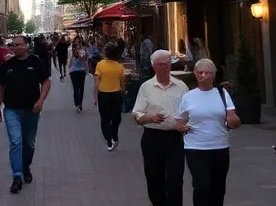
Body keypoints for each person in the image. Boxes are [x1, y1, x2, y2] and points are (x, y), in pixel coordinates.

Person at [175, 58, 240, 206]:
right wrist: (181, 127)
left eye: (207, 72)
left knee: (218, 188)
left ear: (213, 75)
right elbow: (179, 120)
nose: (203, 75)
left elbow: (233, 118)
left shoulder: (222, 93)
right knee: (201, 185)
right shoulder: (188, 96)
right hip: (195, 148)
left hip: (220, 146)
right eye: (199, 72)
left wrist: (233, 120)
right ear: (195, 74)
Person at [0, 34, 51, 194]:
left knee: (29, 143)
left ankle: (25, 167)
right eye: (14, 45)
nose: (16, 47)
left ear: (27, 46)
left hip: (31, 110)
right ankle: (17, 176)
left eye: (19, 45)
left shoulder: (35, 62)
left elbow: (46, 81)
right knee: (16, 142)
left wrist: (41, 101)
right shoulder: (7, 65)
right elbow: (0, 85)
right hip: (12, 110)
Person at [133, 50, 188, 206]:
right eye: (162, 64)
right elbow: (137, 113)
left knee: (175, 178)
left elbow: (190, 111)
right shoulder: (146, 87)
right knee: (154, 178)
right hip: (152, 138)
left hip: (174, 139)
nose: (166, 67)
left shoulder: (181, 86)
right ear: (154, 66)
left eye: (168, 63)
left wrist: (186, 124)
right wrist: (149, 117)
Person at [93, 43, 126, 151]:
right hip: (116, 94)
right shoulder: (119, 66)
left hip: (103, 94)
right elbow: (122, 82)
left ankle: (108, 139)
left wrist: (95, 96)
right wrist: (124, 92)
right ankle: (113, 135)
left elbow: (97, 81)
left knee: (105, 118)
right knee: (116, 117)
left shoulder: (100, 65)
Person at [68, 37, 90, 113]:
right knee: (75, 88)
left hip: (81, 70)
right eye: (76, 42)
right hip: (73, 71)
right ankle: (77, 104)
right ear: (74, 42)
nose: (77, 43)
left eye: (79, 42)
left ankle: (80, 103)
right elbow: (68, 59)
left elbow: (85, 59)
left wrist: (85, 53)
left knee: (81, 88)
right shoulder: (70, 49)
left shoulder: (83, 50)